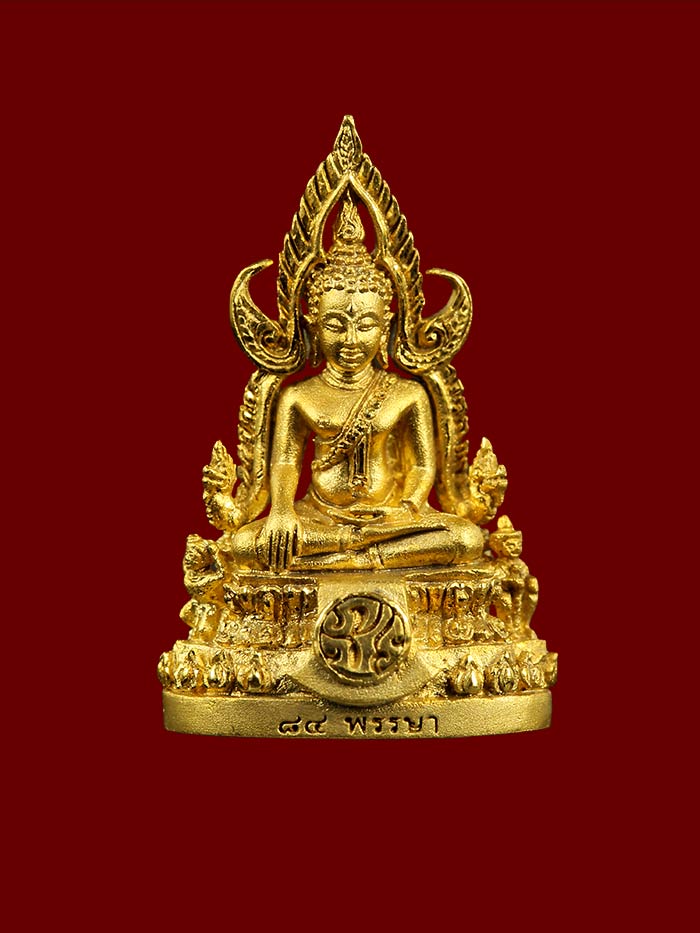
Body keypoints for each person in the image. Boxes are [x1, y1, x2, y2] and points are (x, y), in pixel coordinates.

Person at [231, 199, 483, 571]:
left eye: (365, 325)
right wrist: (282, 512)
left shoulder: (407, 394)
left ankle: (354, 556)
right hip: (319, 517)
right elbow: (285, 461)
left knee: (466, 538)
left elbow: (421, 466)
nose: (351, 340)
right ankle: (359, 552)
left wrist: (408, 507)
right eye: (335, 325)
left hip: (391, 519)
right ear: (313, 327)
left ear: (386, 328)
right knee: (244, 545)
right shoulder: (297, 396)